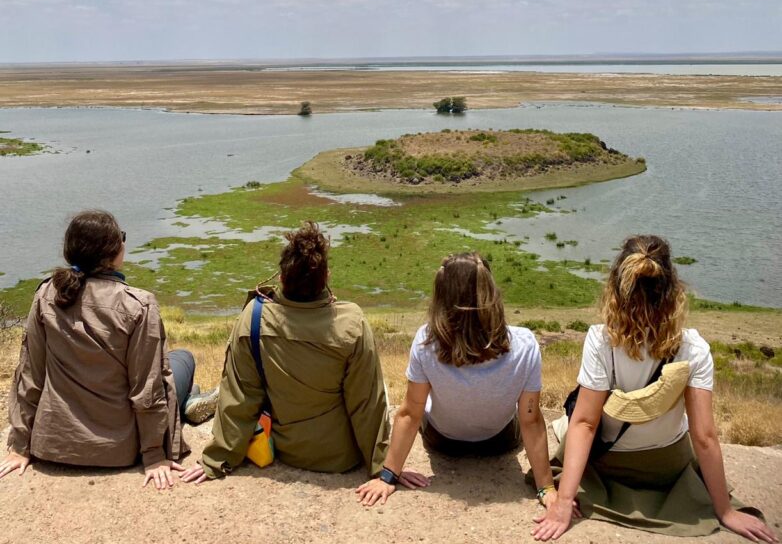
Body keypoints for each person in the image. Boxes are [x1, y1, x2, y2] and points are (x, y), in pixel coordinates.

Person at [532, 234, 778, 542]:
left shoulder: (601, 341)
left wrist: (564, 503)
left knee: (571, 418)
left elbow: (585, 422)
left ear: (615, 289)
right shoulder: (694, 348)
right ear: (673, 290)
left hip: (607, 464)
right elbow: (704, 438)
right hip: (668, 468)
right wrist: (725, 511)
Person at [0, 209, 217, 490]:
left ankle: (189, 399)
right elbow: (147, 387)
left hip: (53, 444)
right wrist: (154, 455)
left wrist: (20, 446)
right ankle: (188, 401)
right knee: (182, 358)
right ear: (113, 251)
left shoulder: (45, 295)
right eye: (122, 238)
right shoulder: (138, 305)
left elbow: (29, 376)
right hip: (119, 449)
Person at [181, 221, 391, 483]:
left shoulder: (254, 319)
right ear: (325, 277)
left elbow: (240, 398)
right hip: (341, 456)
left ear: (281, 278)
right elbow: (367, 403)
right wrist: (383, 468)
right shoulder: (352, 323)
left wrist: (216, 460)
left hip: (282, 449)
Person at [356, 251, 556, 509]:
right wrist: (546, 488)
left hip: (443, 443)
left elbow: (410, 414)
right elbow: (530, 419)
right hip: (499, 441)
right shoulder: (525, 344)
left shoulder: (425, 342)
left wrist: (387, 476)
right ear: (491, 294)